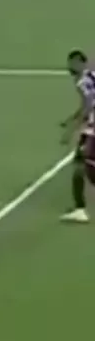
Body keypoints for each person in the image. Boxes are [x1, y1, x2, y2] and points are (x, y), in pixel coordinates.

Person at [60, 49, 95, 223]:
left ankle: (80, 209)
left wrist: (71, 131)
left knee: (80, 165)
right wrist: (71, 119)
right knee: (82, 165)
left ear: (82, 63)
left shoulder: (82, 81)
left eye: (74, 63)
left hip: (92, 129)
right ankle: (79, 208)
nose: (70, 67)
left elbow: (88, 106)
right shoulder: (91, 76)